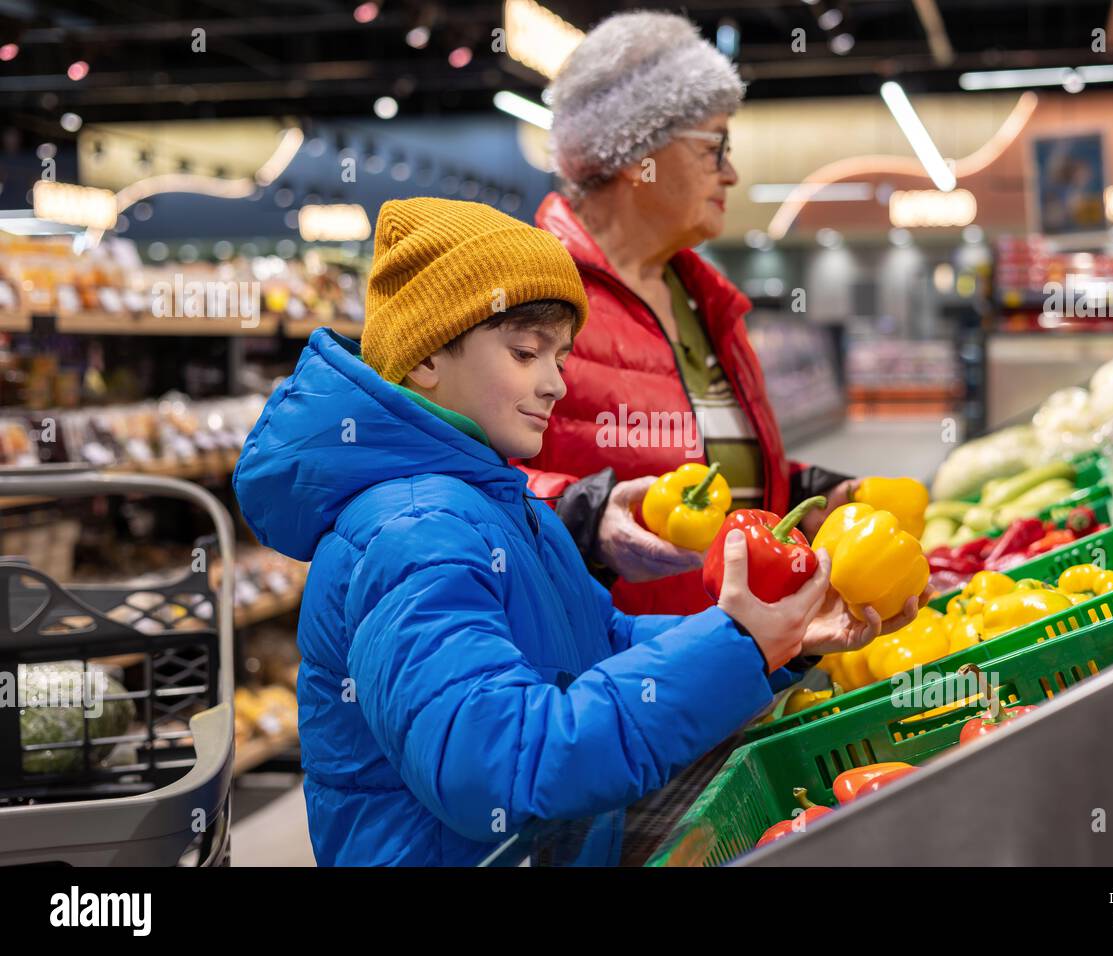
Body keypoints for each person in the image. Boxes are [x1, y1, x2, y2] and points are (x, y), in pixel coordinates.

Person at [232, 198, 872, 866]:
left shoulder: (505, 505)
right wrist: (735, 645)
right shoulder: (411, 535)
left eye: (560, 358)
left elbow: (608, 642)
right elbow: (498, 766)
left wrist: (770, 640)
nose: (554, 384)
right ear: (426, 359)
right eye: (525, 352)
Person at [520, 10, 931, 633]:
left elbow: (712, 477)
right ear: (637, 153)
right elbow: (453, 484)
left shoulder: (705, 300)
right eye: (715, 147)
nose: (731, 172)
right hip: (608, 685)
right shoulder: (527, 294)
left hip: (733, 667)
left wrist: (810, 499)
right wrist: (585, 517)